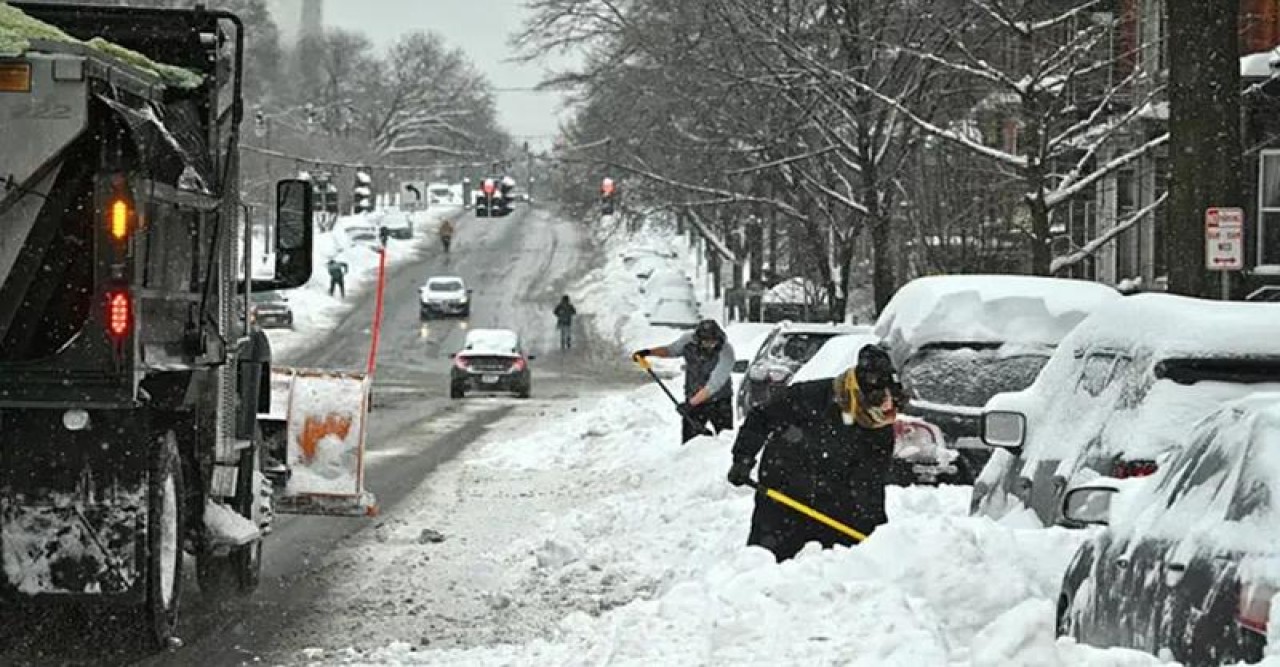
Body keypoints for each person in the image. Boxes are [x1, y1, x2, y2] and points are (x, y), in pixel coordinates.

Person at [727, 344, 906, 562]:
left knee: (833, 577)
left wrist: (874, 533)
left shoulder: (879, 429)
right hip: (783, 497)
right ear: (857, 393)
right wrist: (743, 458)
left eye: (891, 405)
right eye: (877, 402)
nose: (884, 410)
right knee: (768, 566)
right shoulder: (809, 396)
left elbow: (870, 481)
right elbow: (761, 416)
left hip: (835, 506)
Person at [632, 319, 736, 443]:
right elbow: (670, 350)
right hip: (693, 397)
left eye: (713, 342)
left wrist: (690, 404)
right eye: (706, 342)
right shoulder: (688, 341)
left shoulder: (726, 352)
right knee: (690, 442)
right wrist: (648, 352)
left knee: (724, 440)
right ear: (698, 340)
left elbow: (714, 385)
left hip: (719, 401)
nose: (710, 345)